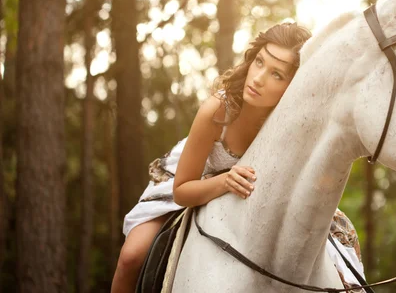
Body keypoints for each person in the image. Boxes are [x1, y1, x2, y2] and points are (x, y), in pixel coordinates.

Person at [111, 22, 365, 293]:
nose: (258, 78)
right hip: (194, 177)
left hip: (253, 191)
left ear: (294, 86)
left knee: (345, 271)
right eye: (259, 62)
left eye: (276, 74)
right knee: (131, 257)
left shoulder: (293, 124)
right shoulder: (217, 111)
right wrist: (224, 182)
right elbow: (182, 191)